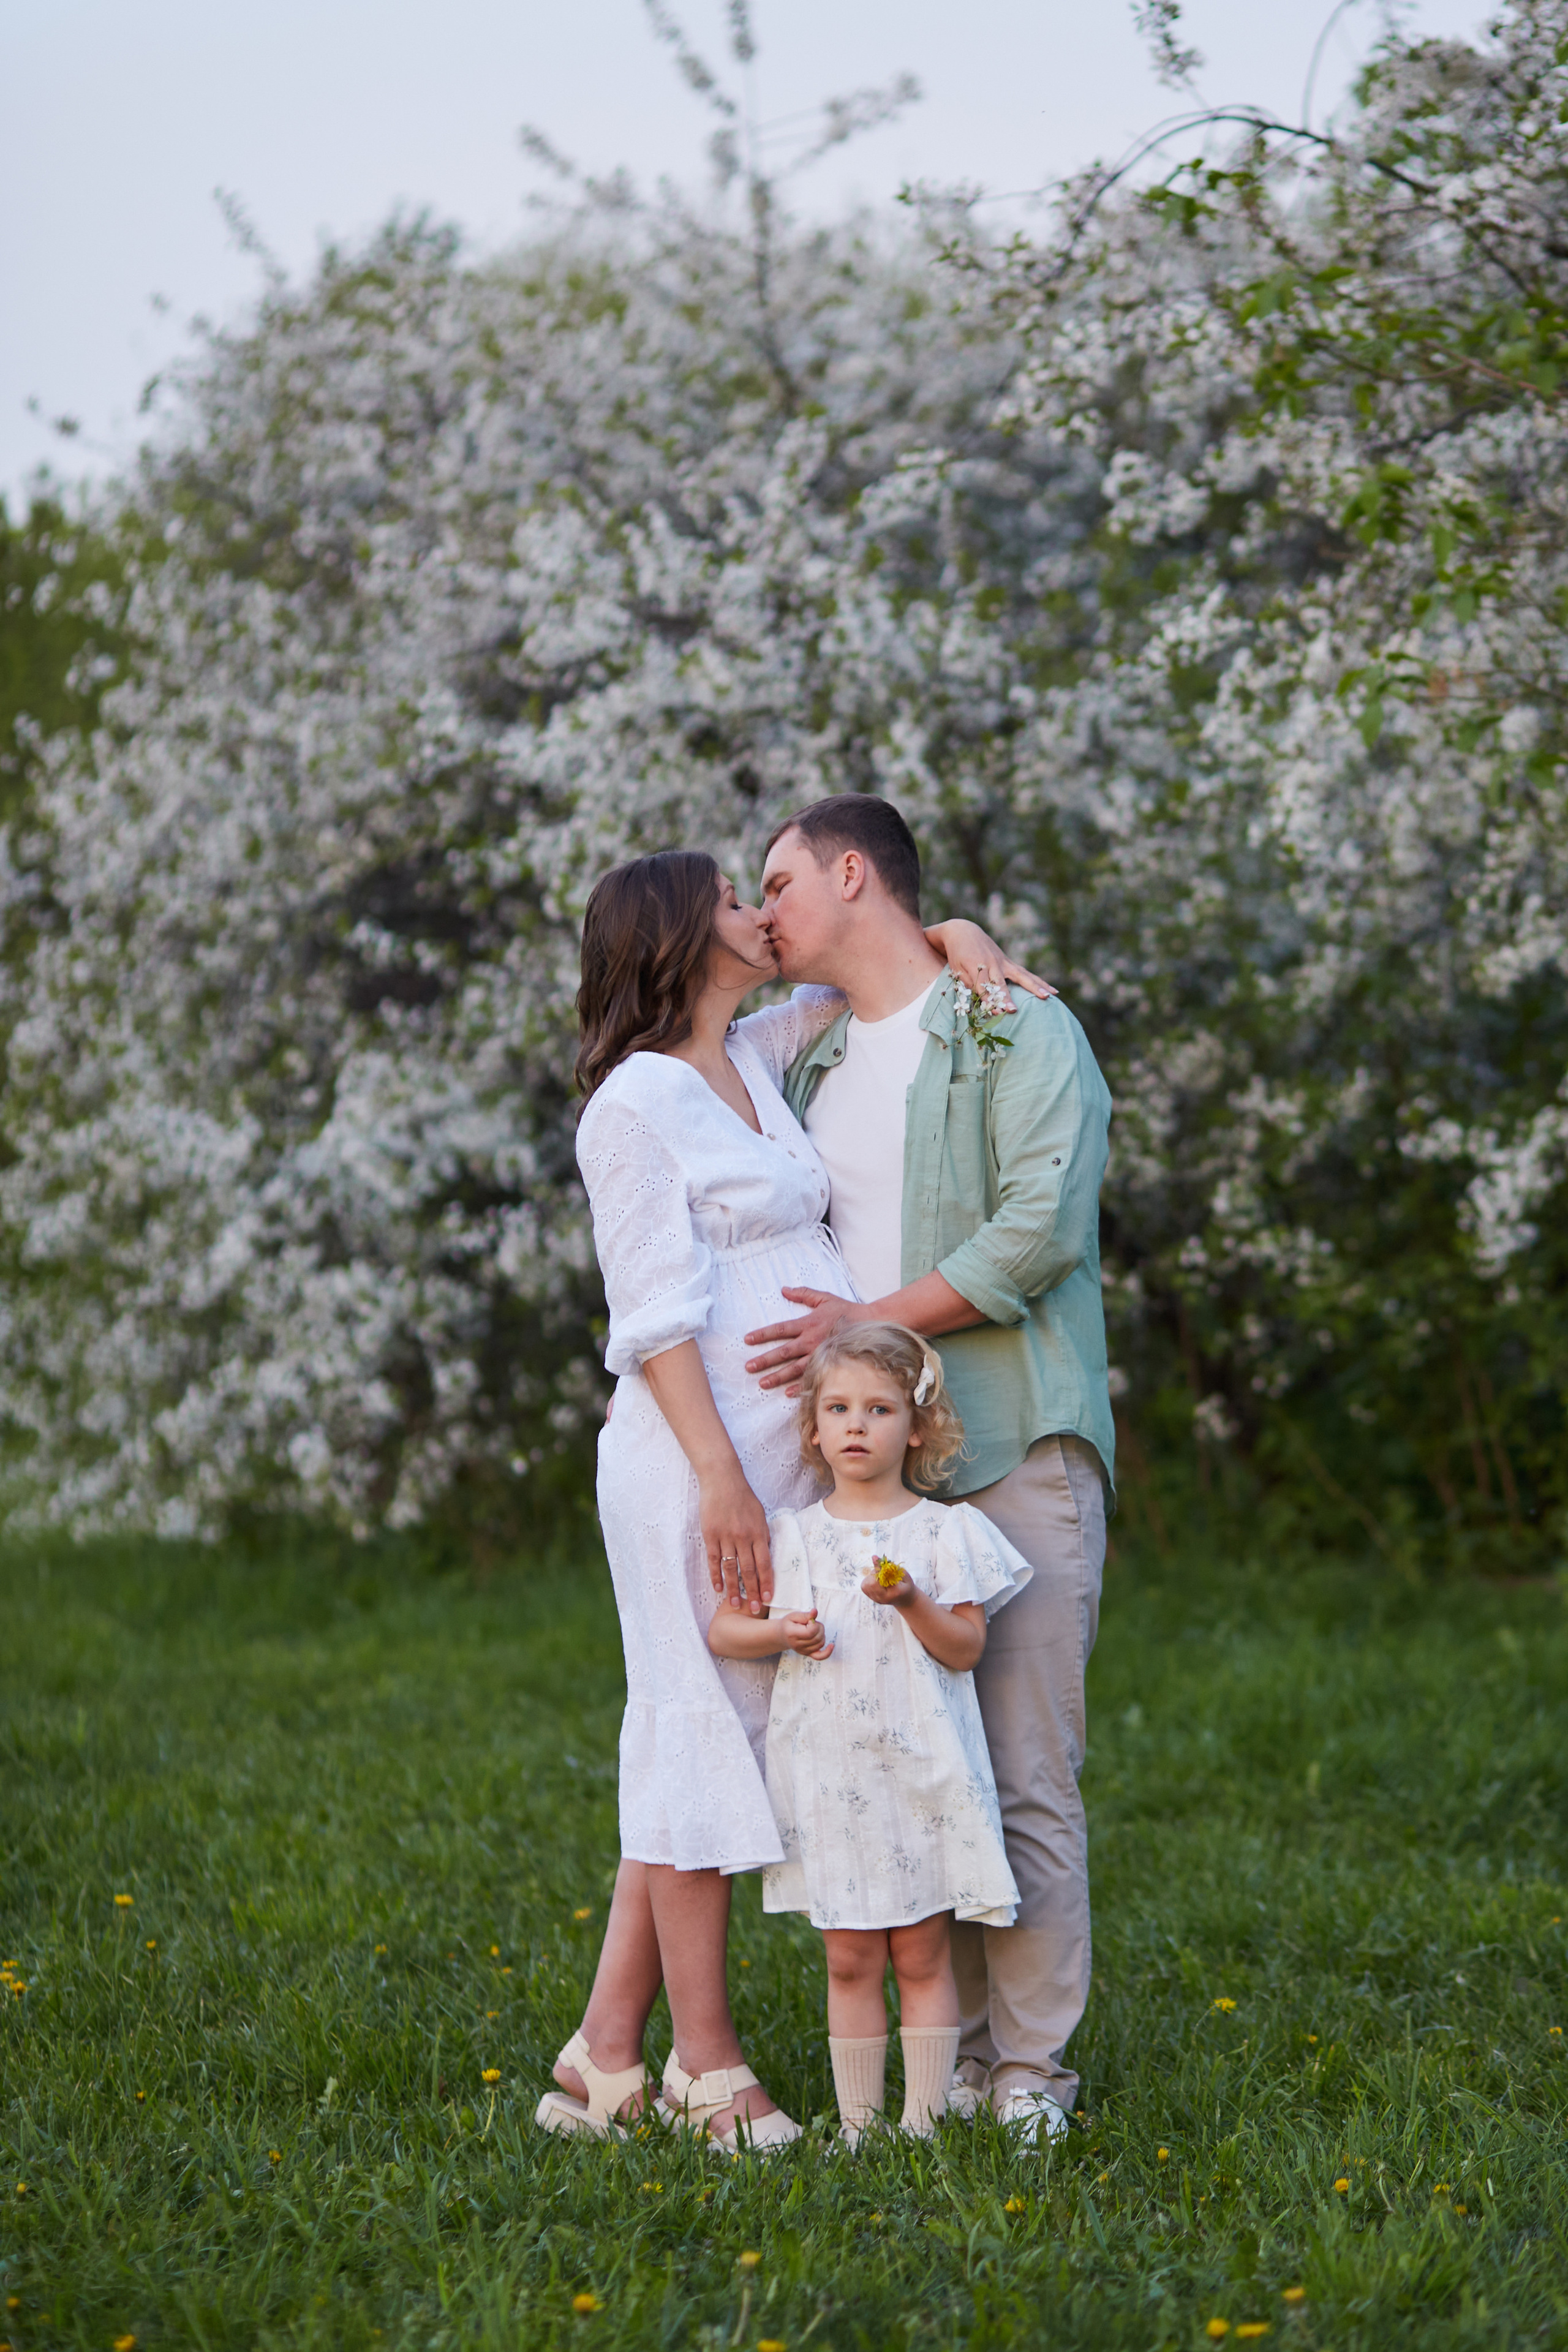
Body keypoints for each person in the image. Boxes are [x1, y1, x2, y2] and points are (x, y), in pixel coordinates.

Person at [534, 848, 1046, 2148]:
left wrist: (964, 928)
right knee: (695, 1734)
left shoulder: (753, 1054)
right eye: (729, 901)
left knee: (704, 1741)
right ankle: (708, 2070)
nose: (758, 917)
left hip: (775, 1460)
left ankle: (603, 2055)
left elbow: (874, 964)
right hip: (687, 1464)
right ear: (673, 935)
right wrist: (717, 1478)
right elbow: (650, 1313)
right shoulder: (631, 1104)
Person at [744, 795, 1115, 2144]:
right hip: (865, 1480)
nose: (762, 910)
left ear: (852, 872)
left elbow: (1039, 1233)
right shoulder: (804, 1053)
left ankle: (1029, 2073)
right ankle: (939, 2059)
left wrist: (863, 1333)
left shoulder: (1017, 1025)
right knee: (903, 1763)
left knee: (1020, 1765)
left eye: (775, 881)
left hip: (1012, 1434)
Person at [708, 1322, 1030, 2147]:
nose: (858, 1425)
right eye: (840, 1408)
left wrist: (913, 1601)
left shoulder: (942, 1533)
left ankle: (921, 2124)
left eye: (880, 1408)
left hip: (921, 1775)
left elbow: (965, 1649)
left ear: (916, 1427)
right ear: (813, 1429)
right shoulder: (793, 1535)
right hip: (831, 1781)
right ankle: (860, 2127)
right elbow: (724, 1631)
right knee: (849, 1958)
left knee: (922, 1954)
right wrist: (785, 1633)